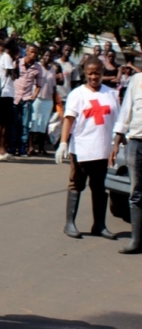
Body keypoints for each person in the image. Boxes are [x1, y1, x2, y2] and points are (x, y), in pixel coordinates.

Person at [56, 57, 119, 240]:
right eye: (90, 73)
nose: (94, 76)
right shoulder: (78, 94)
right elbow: (69, 119)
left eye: (97, 73)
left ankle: (99, 225)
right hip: (82, 148)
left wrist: (117, 142)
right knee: (76, 184)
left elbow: (117, 121)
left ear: (102, 73)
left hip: (102, 148)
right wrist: (63, 143)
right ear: (85, 73)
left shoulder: (111, 94)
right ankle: (69, 223)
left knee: (99, 187)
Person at [111, 67, 142, 254]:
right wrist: (117, 141)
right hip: (136, 143)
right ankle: (136, 240)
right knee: (136, 192)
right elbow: (126, 111)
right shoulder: (136, 80)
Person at [0, 37, 19, 161]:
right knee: (0, 123)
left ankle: (2, 150)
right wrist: (16, 62)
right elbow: (13, 75)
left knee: (6, 123)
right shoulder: (6, 57)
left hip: (8, 94)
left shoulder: (5, 57)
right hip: (4, 94)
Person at [32, 53, 57, 155]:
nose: (47, 57)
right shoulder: (37, 66)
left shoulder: (52, 70)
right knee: (34, 123)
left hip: (48, 99)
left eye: (49, 56)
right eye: (45, 55)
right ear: (42, 56)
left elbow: (54, 87)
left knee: (44, 124)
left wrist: (55, 102)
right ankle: (30, 147)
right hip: (37, 98)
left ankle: (41, 148)